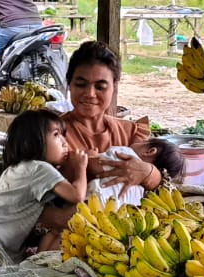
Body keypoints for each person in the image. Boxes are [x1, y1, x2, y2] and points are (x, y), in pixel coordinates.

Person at [0, 110, 88, 269]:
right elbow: (77, 195)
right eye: (57, 135)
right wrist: (81, 167)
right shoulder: (40, 169)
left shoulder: (21, 168)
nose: (65, 142)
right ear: (34, 141)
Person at [58, 41, 166, 195]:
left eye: (100, 87)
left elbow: (165, 184)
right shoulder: (52, 134)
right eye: (81, 84)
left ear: (114, 87)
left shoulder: (131, 132)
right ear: (69, 85)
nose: (90, 93)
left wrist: (148, 172)